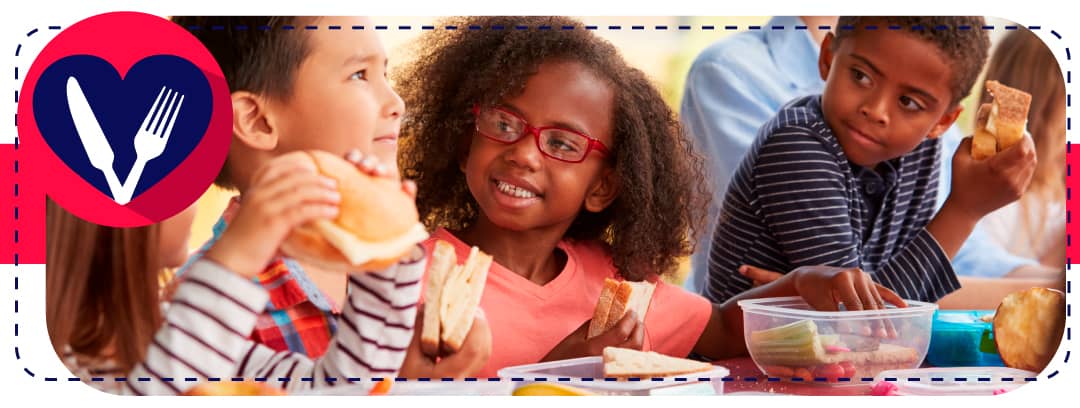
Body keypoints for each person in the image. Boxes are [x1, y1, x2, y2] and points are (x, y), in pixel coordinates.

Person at [396, 16, 907, 377]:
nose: (525, 153)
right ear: (466, 143)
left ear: (603, 187)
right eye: (504, 123)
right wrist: (555, 373)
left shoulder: (615, 282)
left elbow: (722, 330)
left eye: (562, 143)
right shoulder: (405, 281)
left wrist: (802, 282)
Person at [170, 16, 489, 376]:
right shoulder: (196, 319)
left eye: (385, 74)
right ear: (258, 121)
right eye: (359, 75)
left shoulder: (390, 267)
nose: (396, 103)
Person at [681, 16, 1053, 295]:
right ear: (827, 58)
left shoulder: (921, 150)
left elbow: (893, 295)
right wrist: (965, 210)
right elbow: (869, 323)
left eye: (908, 102)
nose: (876, 110)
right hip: (747, 371)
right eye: (861, 76)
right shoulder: (797, 146)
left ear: (944, 120)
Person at [46, 149, 425, 395]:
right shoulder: (60, 366)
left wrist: (385, 251)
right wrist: (236, 258)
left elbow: (342, 392)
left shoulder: (173, 332)